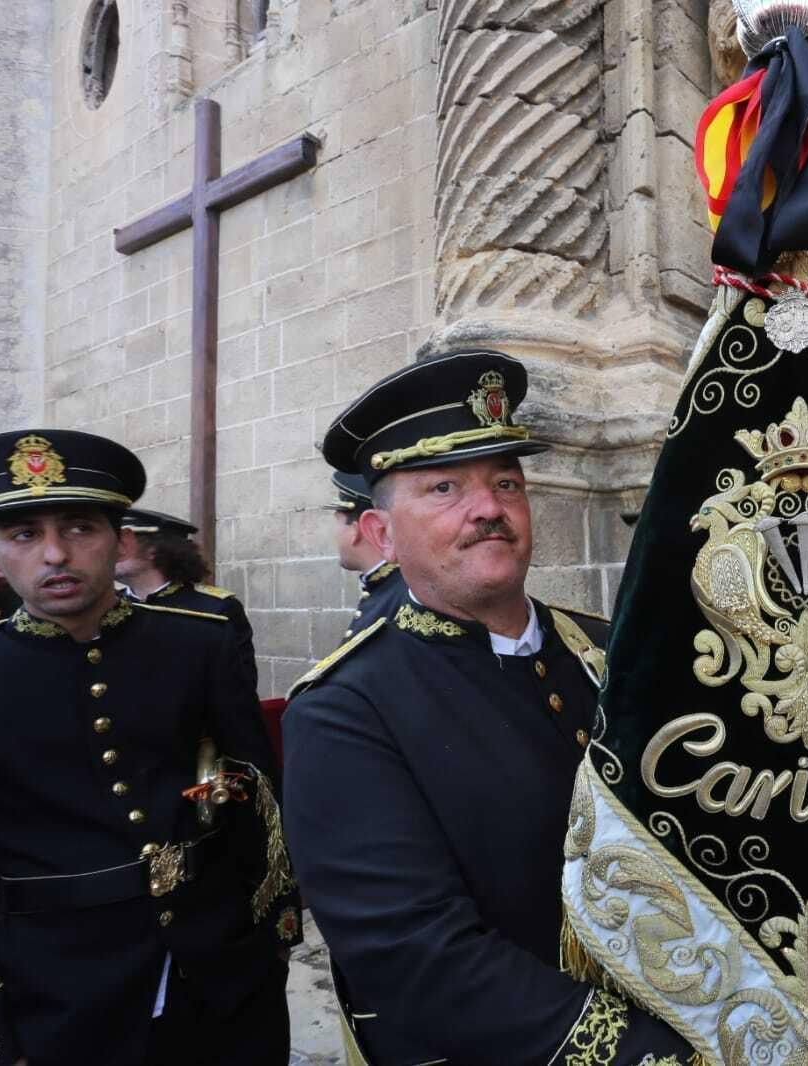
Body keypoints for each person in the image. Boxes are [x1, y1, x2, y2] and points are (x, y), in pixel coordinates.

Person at [284, 351, 692, 1064]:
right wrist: (641, 1054)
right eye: (444, 487)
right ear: (381, 535)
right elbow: (419, 958)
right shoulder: (345, 708)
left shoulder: (610, 648)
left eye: (506, 482)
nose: (488, 508)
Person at [0, 429, 300, 1066]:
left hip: (219, 967)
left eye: (80, 528)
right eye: (25, 534)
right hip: (58, 983)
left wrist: (271, 932)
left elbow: (250, 789)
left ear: (119, 541)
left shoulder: (198, 643)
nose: (55, 554)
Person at [117, 506, 259, 697]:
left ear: (153, 550)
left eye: (121, 544)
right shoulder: (104, 608)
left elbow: (237, 693)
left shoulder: (216, 608)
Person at [326, 470, 405, 638]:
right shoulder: (388, 589)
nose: (334, 534)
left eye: (338, 522)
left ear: (355, 531)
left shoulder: (402, 598)